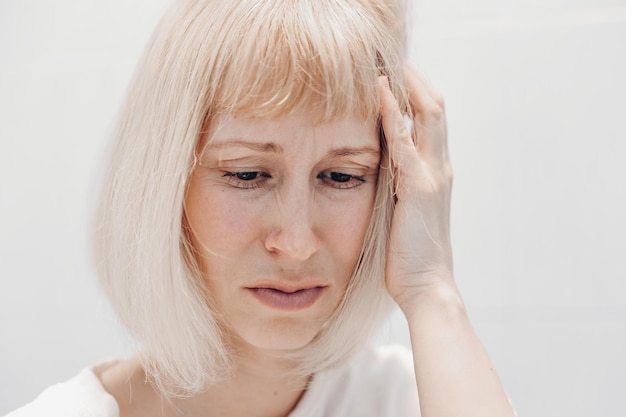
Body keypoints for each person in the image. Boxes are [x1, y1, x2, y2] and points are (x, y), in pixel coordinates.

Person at [7, 0, 516, 416]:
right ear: (165, 185)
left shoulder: (419, 396)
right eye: (248, 175)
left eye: (341, 176)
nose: (296, 243)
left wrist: (431, 290)